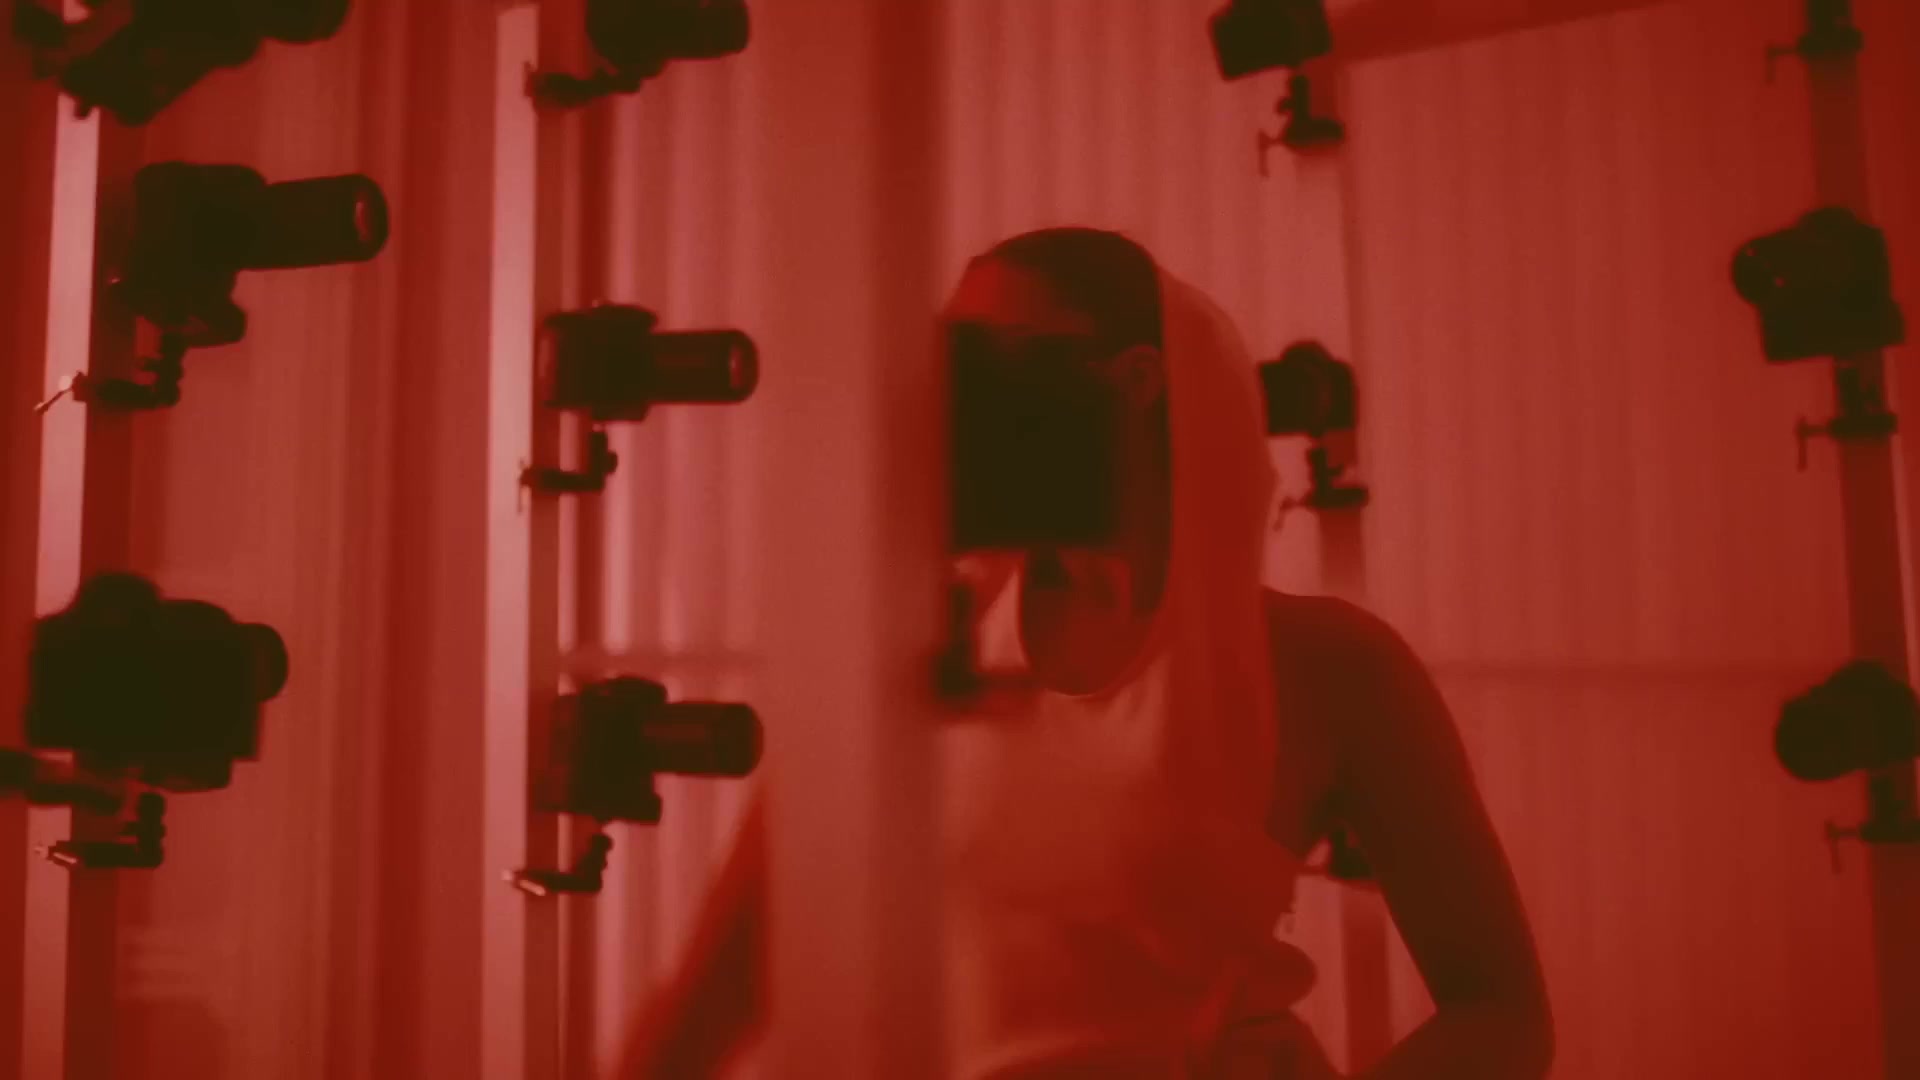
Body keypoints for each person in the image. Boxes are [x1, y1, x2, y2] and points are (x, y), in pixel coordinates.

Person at [616, 228, 1554, 1078]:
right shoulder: (911, 646)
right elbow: (722, 984)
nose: (960, 394)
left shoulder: (1331, 665)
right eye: (950, 360)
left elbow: (1500, 1011)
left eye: (997, 359)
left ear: (1134, 380)